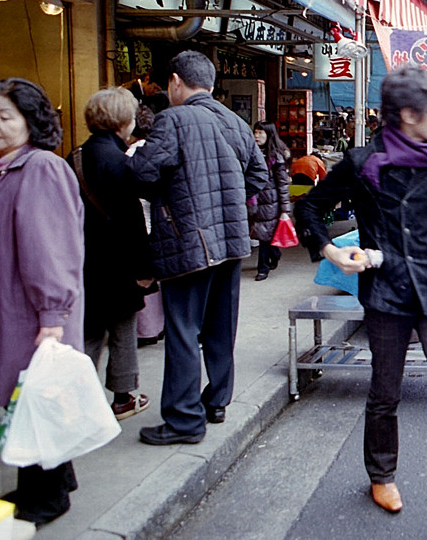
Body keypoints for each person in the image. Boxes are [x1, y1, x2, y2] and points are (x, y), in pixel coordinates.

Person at [295, 65, 427, 540]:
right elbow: (308, 205)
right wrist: (329, 249)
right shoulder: (362, 162)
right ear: (409, 115)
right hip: (387, 292)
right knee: (385, 392)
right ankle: (381, 474)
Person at [0, 78, 84, 526]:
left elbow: (53, 248)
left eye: (7, 116)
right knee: (29, 397)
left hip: (32, 311)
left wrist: (52, 316)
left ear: (31, 121)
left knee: (32, 396)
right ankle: (55, 480)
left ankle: (45, 495)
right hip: (11, 305)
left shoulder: (40, 168)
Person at [128, 50, 267, 445]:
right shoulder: (235, 121)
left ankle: (184, 420)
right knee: (221, 326)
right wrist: (224, 203)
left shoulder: (172, 119)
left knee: (184, 330)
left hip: (188, 240)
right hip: (231, 239)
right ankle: (216, 401)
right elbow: (258, 175)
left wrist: (173, 200)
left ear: (175, 81)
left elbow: (143, 172)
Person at [68, 88, 152, 420]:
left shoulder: (74, 156)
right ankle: (122, 397)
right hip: (118, 262)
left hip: (83, 259)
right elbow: (132, 221)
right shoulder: (120, 162)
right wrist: (146, 266)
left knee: (87, 331)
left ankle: (79, 399)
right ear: (122, 121)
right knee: (122, 329)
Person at [249, 120, 291, 282]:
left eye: (261, 132)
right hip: (254, 200)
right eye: (255, 132)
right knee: (264, 234)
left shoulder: (276, 157)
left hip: (271, 203)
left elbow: (282, 185)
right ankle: (275, 254)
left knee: (264, 236)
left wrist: (285, 211)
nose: (257, 136)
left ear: (269, 134)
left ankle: (263, 268)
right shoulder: (251, 153)